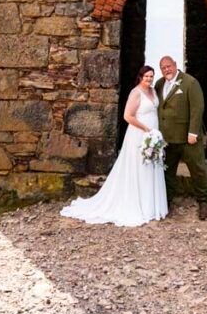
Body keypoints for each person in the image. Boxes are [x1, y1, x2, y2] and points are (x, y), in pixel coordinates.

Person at [60, 65, 168, 227]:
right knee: (139, 167)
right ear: (140, 77)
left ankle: (151, 206)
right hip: (139, 134)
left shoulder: (152, 91)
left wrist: (155, 132)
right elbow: (127, 116)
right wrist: (146, 129)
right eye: (146, 76)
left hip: (153, 132)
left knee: (151, 165)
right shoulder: (135, 93)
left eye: (151, 76)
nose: (149, 79)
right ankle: (137, 204)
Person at [155, 55, 207, 220]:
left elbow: (197, 108)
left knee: (198, 169)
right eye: (163, 68)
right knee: (167, 171)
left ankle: (204, 202)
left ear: (175, 65)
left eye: (169, 66)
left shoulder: (189, 82)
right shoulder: (159, 84)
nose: (166, 70)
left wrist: (193, 132)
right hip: (167, 138)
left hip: (188, 138)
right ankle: (167, 201)